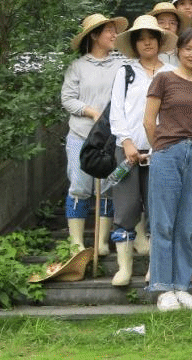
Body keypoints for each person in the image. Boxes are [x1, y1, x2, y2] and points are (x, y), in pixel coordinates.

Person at [144, 28, 192, 311]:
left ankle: (182, 286)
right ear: (178, 51)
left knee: (186, 226)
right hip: (167, 154)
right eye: (189, 49)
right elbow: (149, 120)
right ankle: (163, 288)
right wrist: (161, 148)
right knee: (163, 224)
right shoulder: (164, 79)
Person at [108, 15, 175, 287]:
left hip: (162, 150)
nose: (147, 43)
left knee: (158, 209)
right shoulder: (125, 72)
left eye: (152, 38)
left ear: (159, 41)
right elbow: (116, 111)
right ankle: (124, 268)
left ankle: (154, 267)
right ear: (134, 44)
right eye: (141, 39)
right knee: (125, 209)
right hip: (127, 150)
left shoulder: (171, 72)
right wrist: (126, 142)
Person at [61, 13, 127, 253]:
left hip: (109, 139)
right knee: (79, 186)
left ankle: (101, 242)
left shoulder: (122, 65)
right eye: (109, 31)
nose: (114, 34)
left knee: (108, 188)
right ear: (94, 36)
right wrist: (91, 111)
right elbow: (67, 99)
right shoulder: (77, 67)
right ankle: (76, 243)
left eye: (114, 30)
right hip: (80, 135)